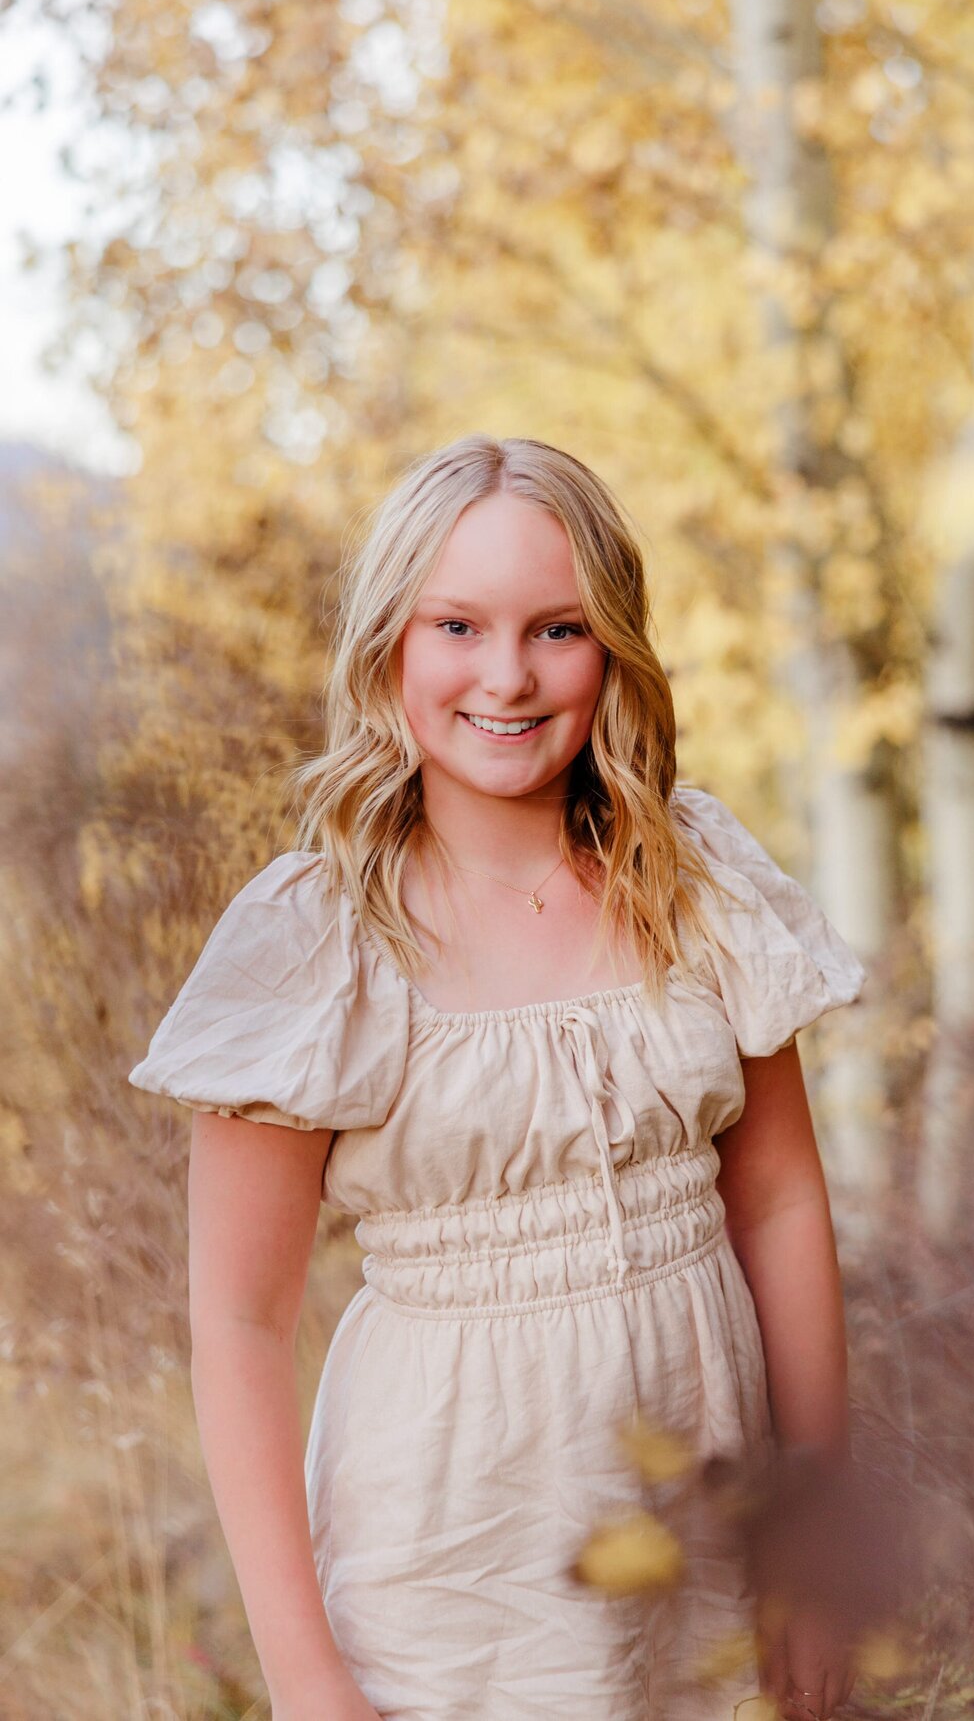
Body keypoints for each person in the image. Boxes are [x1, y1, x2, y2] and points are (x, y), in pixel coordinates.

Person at [128, 433, 868, 1721]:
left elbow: (784, 1206)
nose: (507, 677)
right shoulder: (315, 942)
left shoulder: (691, 880)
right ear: (389, 649)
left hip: (709, 1512)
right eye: (457, 625)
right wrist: (308, 1680)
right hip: (453, 1560)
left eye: (559, 630)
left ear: (614, 647)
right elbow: (239, 1326)